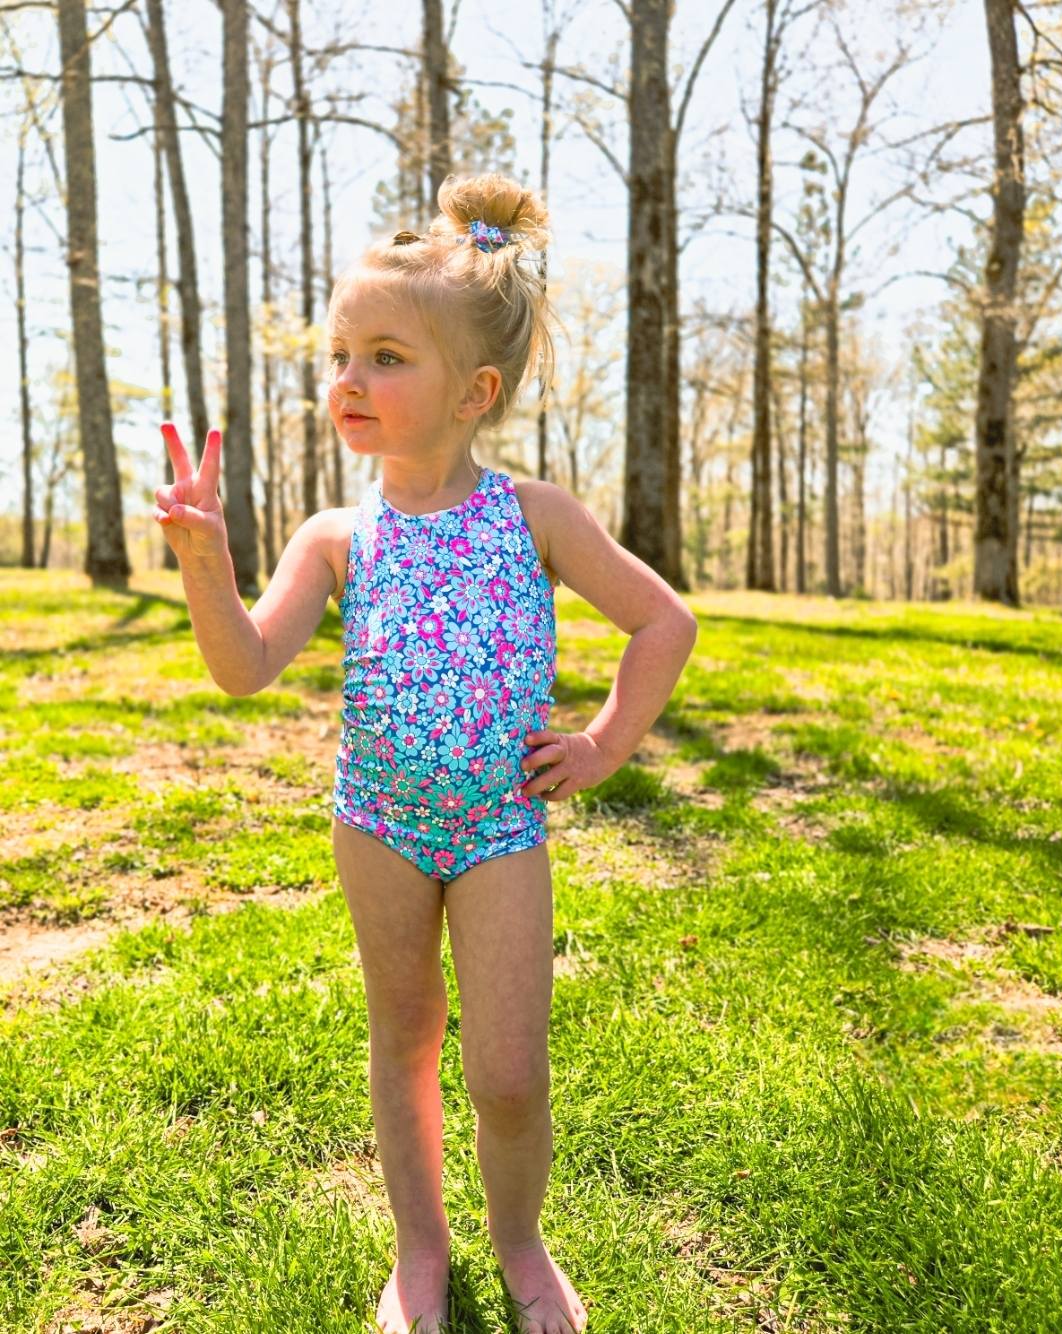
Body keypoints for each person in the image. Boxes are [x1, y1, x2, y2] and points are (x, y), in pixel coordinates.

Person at [153, 171, 697, 1334]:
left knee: (506, 1070)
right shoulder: (335, 536)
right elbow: (244, 664)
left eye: (386, 357)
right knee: (403, 1041)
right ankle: (418, 1253)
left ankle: (520, 1242)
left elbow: (663, 622)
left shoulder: (535, 516)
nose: (348, 379)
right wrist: (205, 563)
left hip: (500, 825)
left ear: (473, 392)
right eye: (340, 354)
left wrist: (603, 742)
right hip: (380, 825)